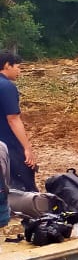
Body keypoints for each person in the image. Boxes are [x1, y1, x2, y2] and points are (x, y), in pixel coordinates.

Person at [0, 51, 36, 192]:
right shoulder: (6, 87)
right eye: (18, 67)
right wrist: (27, 148)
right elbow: (13, 119)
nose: (19, 71)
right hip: (8, 144)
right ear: (7, 65)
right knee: (22, 184)